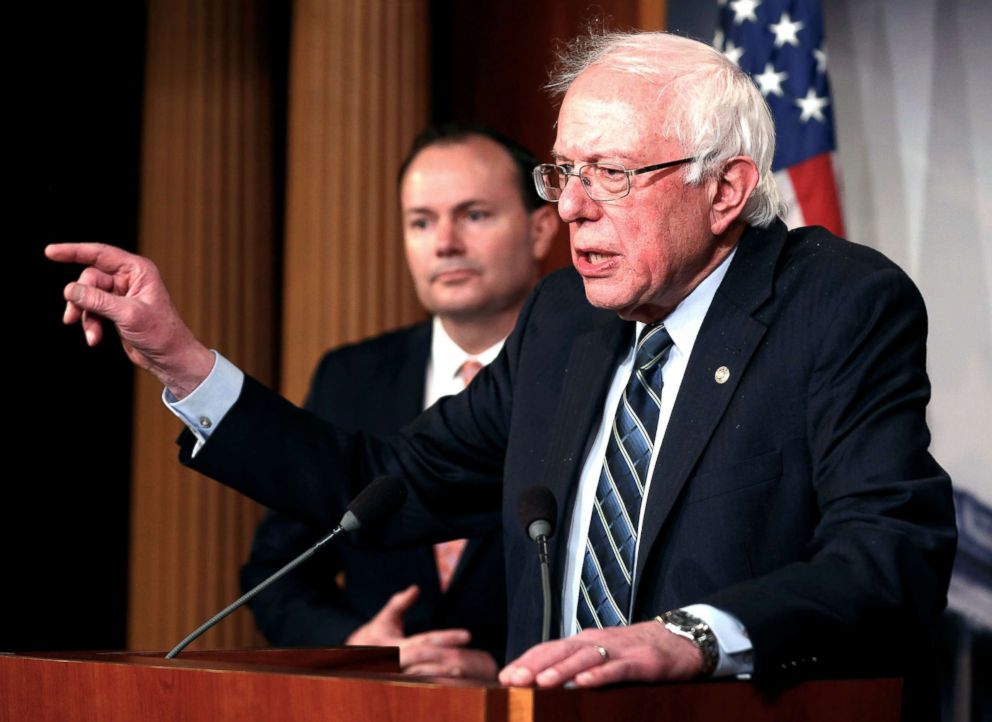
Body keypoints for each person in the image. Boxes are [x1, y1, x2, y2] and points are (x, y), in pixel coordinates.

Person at [47, 30, 954, 717]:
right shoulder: (564, 322)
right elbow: (383, 485)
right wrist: (184, 361)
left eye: (611, 173)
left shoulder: (835, 305)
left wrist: (691, 638)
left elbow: (886, 561)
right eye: (563, 172)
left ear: (725, 190)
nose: (572, 208)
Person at [240, 124, 558, 679]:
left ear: (541, 229)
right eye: (421, 222)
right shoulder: (350, 377)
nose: (445, 243)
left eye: (474, 215)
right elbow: (279, 572)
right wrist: (358, 643)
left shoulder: (591, 375)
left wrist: (501, 666)